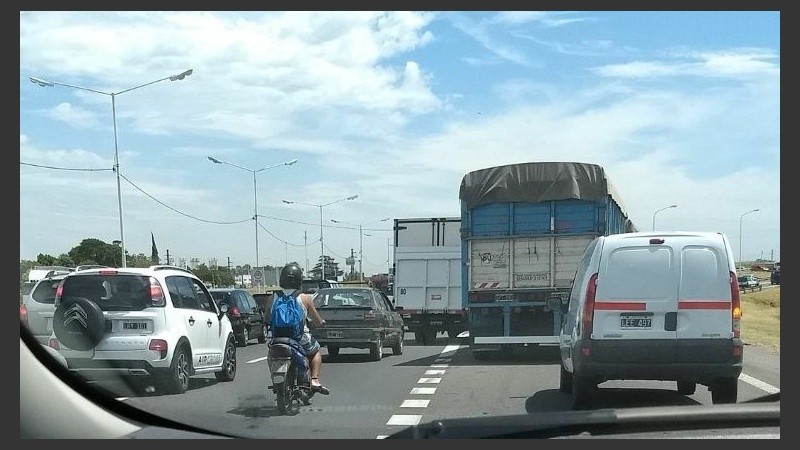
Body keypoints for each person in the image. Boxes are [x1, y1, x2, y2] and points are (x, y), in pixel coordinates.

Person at [273, 263, 329, 395]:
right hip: (299, 338)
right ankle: (314, 380)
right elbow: (316, 320)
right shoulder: (305, 298)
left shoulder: (273, 297)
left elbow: (266, 318)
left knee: (273, 355)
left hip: (277, 338)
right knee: (315, 351)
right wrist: (321, 323)